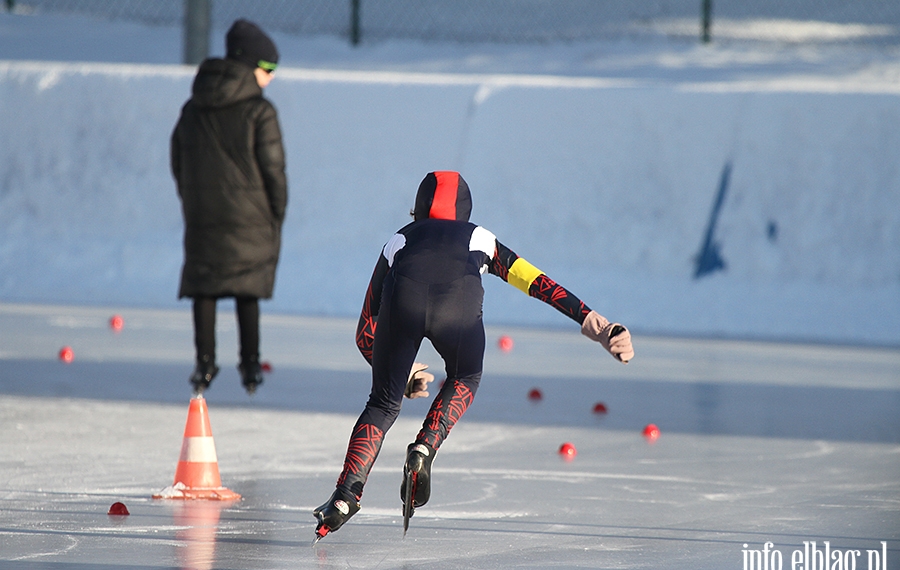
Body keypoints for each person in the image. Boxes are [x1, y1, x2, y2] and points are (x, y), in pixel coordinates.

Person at [313, 171, 634, 540]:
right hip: (458, 307)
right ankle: (424, 446)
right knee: (465, 377)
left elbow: (365, 330)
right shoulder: (479, 238)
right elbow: (539, 284)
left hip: (403, 303)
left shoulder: (400, 238)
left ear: (417, 209)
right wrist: (598, 324)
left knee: (382, 405)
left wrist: (401, 373)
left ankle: (345, 496)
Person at [171, 19, 288, 395]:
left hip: (203, 210)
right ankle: (250, 365)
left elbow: (178, 158)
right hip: (251, 215)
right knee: (246, 286)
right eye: (267, 68)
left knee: (204, 284)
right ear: (248, 64)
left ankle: (204, 364)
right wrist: (276, 212)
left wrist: (191, 196)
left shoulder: (193, 107)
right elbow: (274, 170)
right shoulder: (260, 111)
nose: (270, 78)